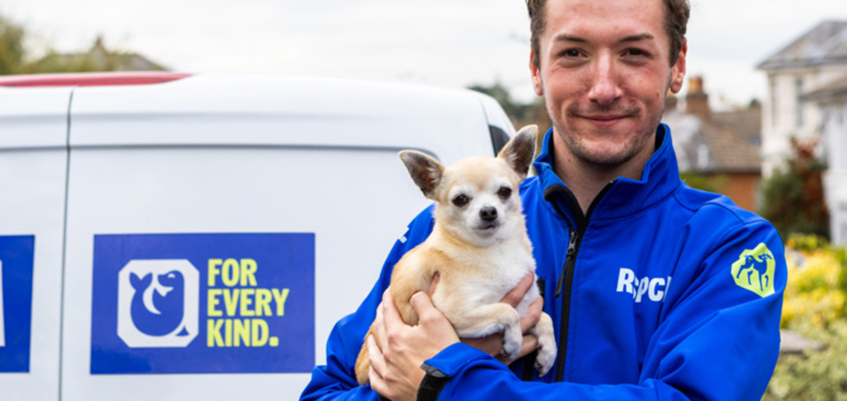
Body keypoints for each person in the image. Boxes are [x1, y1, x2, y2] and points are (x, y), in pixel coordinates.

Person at [301, 0, 787, 399]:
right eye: (573, 53)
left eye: (634, 53)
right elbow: (328, 392)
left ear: (677, 67)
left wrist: (447, 383)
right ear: (536, 68)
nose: (602, 87)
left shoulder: (727, 248)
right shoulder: (442, 236)